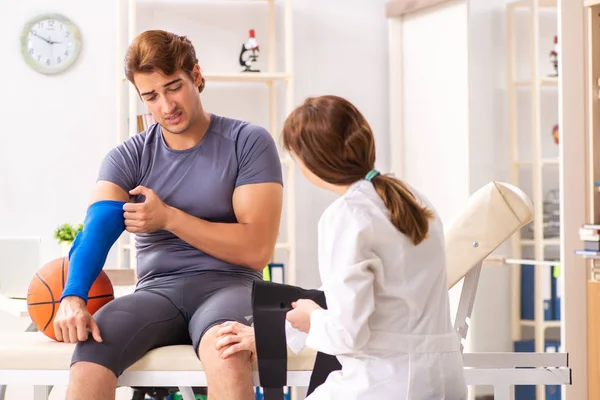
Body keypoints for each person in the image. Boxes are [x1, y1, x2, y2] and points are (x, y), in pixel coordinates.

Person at [53, 29, 283, 400]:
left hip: (231, 287)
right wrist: (73, 296)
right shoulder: (127, 156)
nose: (165, 106)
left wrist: (170, 218)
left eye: (173, 87)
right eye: (150, 96)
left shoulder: (248, 142)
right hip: (156, 293)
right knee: (93, 348)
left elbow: (256, 250)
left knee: (228, 352)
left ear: (196, 75)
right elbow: (97, 229)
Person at [216, 95, 467, 399]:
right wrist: (275, 332)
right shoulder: (412, 200)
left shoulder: (347, 216)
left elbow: (347, 334)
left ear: (309, 162)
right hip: (445, 379)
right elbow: (357, 298)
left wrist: (311, 319)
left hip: (389, 383)